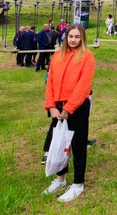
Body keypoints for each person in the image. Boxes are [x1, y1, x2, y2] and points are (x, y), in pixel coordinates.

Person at [42, 24, 96, 202]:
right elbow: (50, 82)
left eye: (77, 37)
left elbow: (83, 86)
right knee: (57, 143)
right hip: (58, 106)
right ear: (66, 37)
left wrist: (68, 108)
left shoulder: (87, 57)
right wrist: (51, 105)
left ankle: (78, 184)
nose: (73, 39)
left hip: (77, 106)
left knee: (78, 145)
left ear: (82, 39)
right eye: (71, 36)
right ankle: (60, 178)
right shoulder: (57, 56)